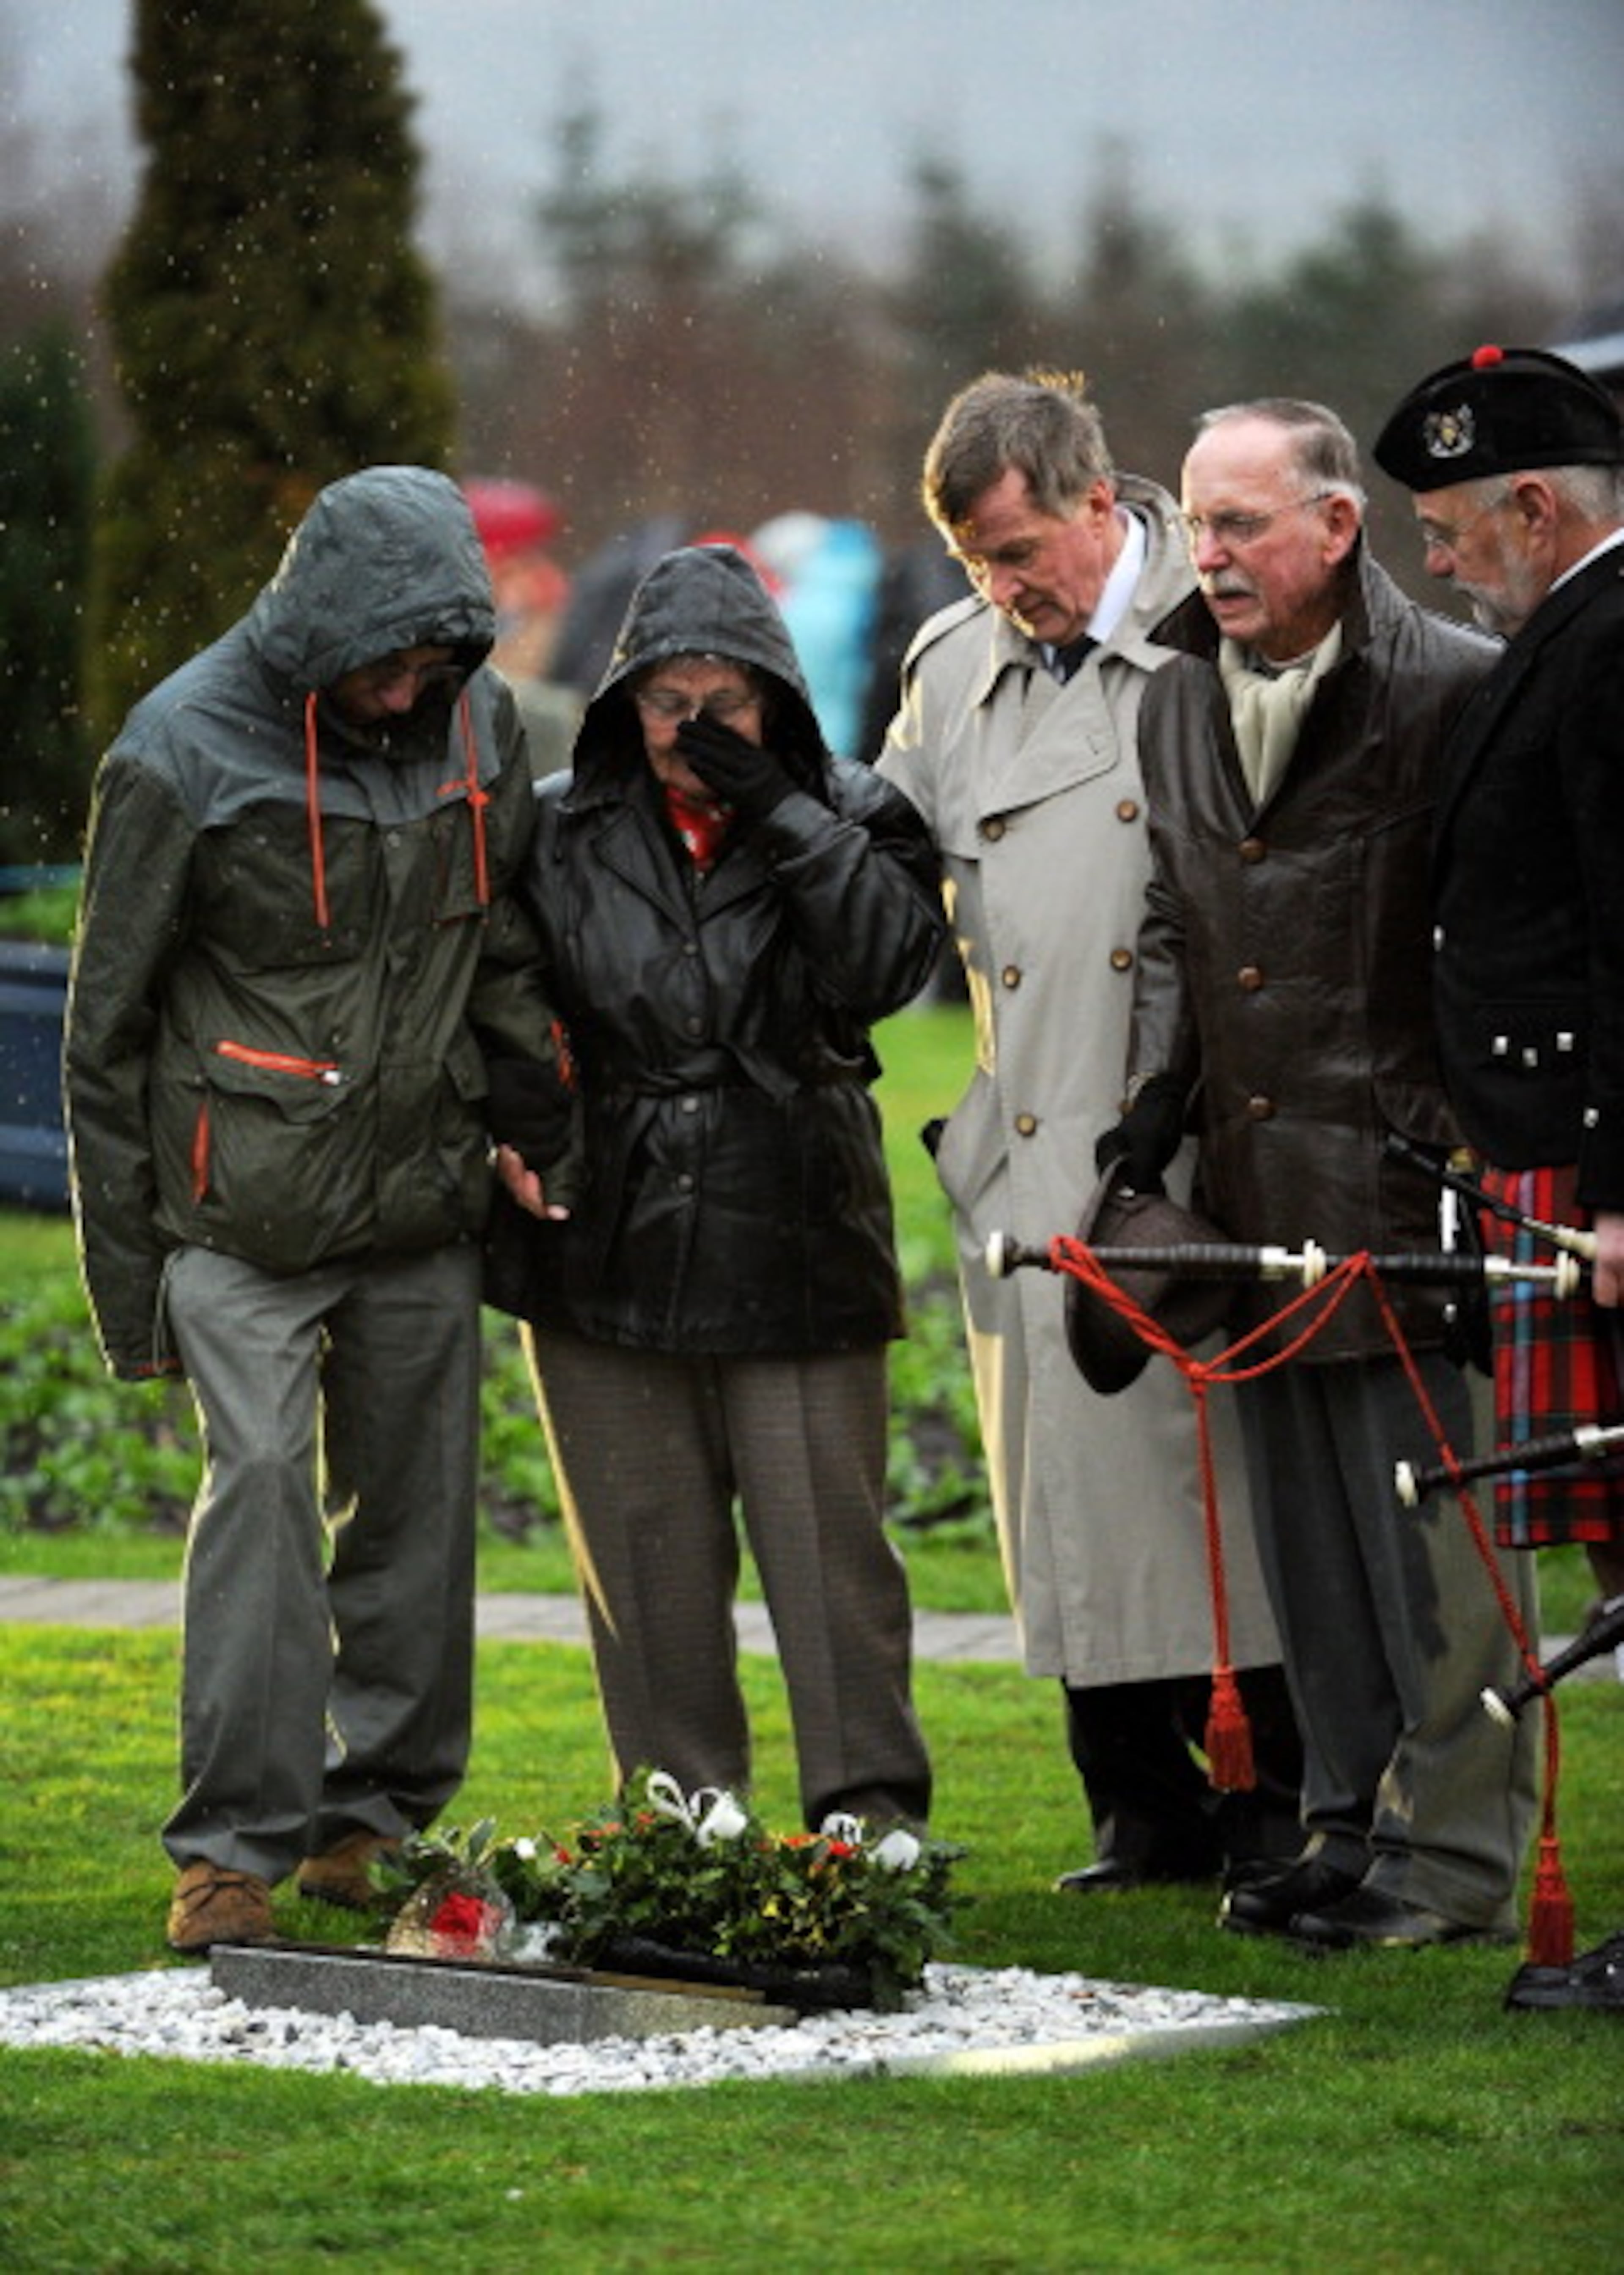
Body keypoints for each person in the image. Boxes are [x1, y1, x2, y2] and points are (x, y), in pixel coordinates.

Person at [64, 466, 578, 1955]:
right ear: (321, 630)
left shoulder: (476, 724)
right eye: (396, 658)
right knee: (264, 1504)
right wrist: (129, 1288)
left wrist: (536, 1115)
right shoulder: (175, 753)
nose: (418, 683)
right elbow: (102, 1036)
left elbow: (499, 944)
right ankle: (229, 1848)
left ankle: (380, 1820)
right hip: (243, 1222)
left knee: (417, 1526)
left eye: (441, 656)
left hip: (423, 1199)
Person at [1106, 395, 1539, 1948]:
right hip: (1249, 1195)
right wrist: (1148, 1120)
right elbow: (1172, 916)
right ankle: (1348, 1828)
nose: (1207, 557)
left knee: (1436, 1550)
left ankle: (1462, 1861)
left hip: (1414, 1190)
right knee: (1315, 1555)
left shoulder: (1457, 690)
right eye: (1199, 526)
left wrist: (1470, 1132)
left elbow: (1504, 940)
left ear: (1337, 527)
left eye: (1240, 525)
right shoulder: (1169, 693)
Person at [876, 369, 1301, 1894]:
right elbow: (887, 867)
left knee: (1210, 1500)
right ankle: (1135, 1804)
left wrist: (1171, 1115)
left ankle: (1271, 1800)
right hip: (1027, 1147)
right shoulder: (951, 665)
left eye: (1022, 550)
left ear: (1099, 507)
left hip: (1173, 1158)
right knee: (1063, 1497)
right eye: (978, 560)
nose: (1006, 587)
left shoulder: (1223, 632)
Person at [484, 541, 939, 1833]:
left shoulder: (855, 810)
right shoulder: (562, 821)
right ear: (625, 695)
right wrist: (526, 1117)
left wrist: (782, 812)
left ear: (776, 703)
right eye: (665, 699)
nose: (692, 729)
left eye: (722, 703)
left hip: (793, 1212)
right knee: (646, 1556)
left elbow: (888, 966)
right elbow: (505, 985)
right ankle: (681, 1816)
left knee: (827, 1554)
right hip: (605, 1221)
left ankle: (872, 1817)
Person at [1374, 343, 1624, 2009]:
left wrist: (1620, 1188)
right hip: (1544, 1159)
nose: (1442, 567)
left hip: (1598, 1177)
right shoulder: (1574, 641)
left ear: (1535, 506)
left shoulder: (1615, 649)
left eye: (1455, 532)